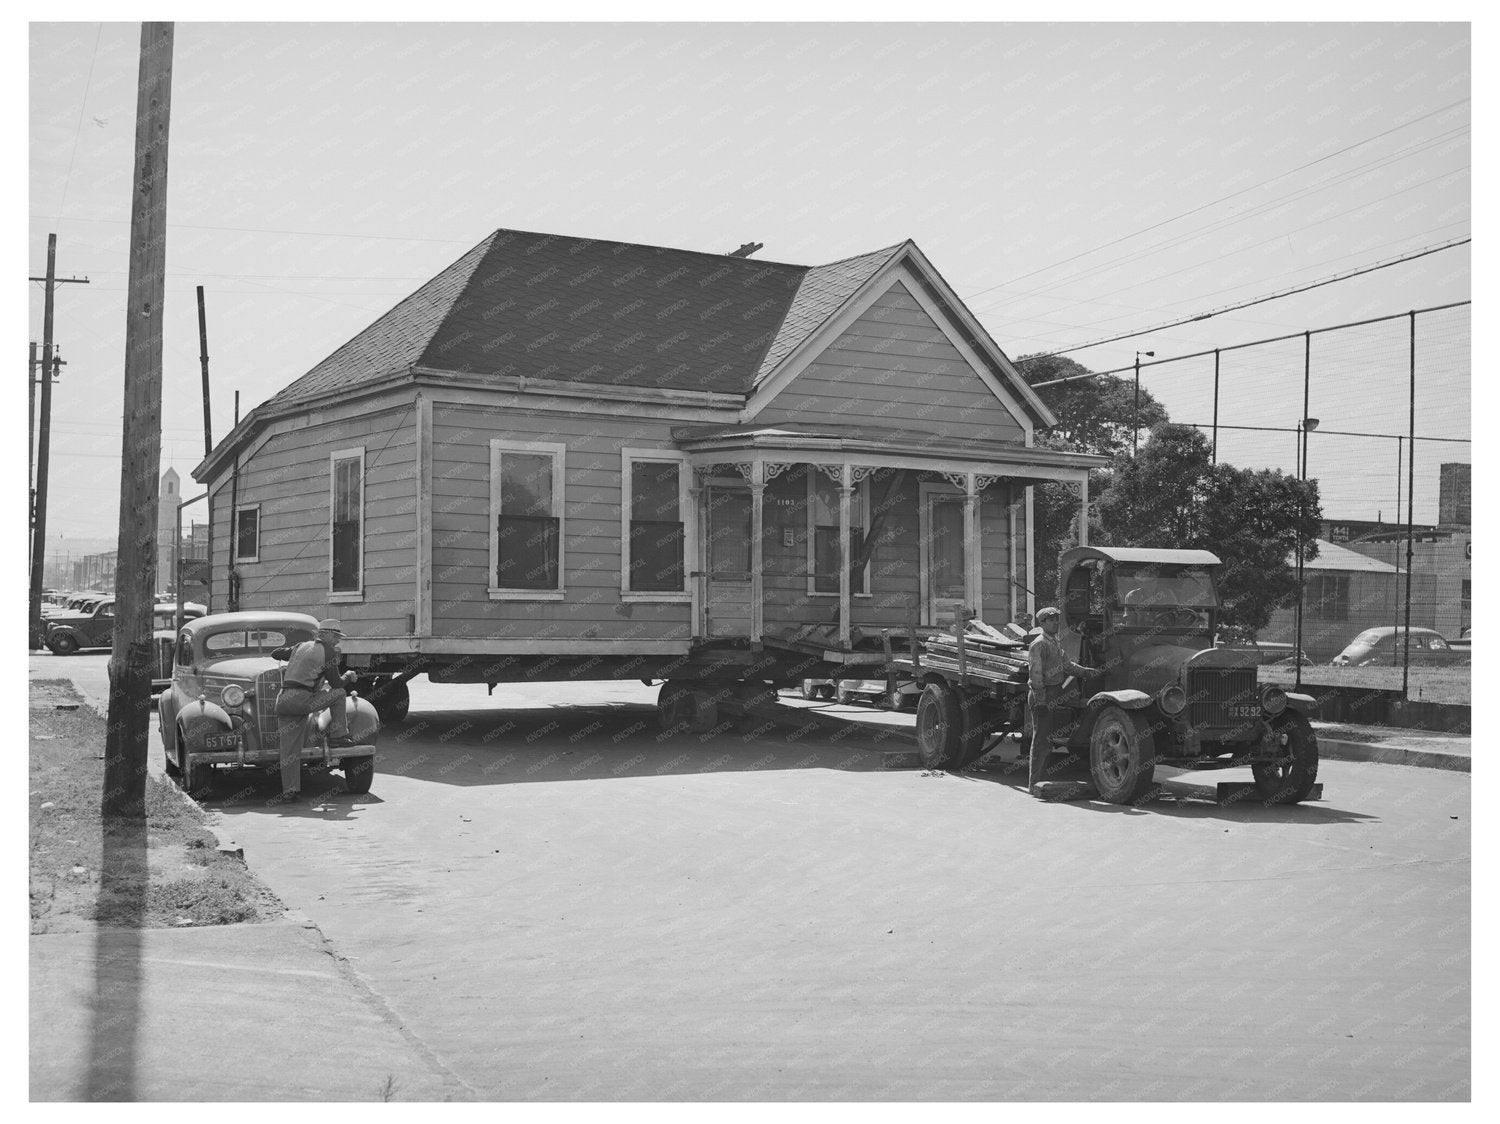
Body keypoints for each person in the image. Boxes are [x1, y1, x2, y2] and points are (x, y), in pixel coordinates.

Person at [274, 618, 357, 800]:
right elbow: (336, 683)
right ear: (324, 634)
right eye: (335, 636)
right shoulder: (328, 652)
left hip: (284, 701)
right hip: (303, 699)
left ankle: (290, 792)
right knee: (339, 694)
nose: (337, 641)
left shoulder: (300, 646)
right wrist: (349, 675)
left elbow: (276, 653)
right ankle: (338, 736)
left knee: (289, 750)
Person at [1027, 605, 1097, 796]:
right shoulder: (1039, 644)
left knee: (1045, 740)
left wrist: (1090, 672)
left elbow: (1068, 666)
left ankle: (1039, 781)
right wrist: (1041, 701)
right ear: (1042, 623)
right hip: (1043, 695)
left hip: (1054, 694)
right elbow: (1035, 675)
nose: (1056, 623)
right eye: (1051, 620)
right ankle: (1034, 784)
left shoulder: (1055, 642)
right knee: (1041, 741)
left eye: (1057, 619)